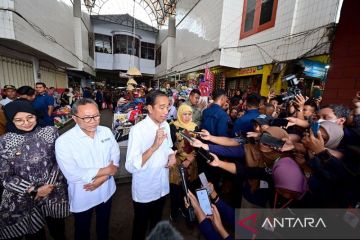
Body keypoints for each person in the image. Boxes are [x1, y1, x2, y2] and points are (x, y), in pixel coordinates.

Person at [0, 100, 70, 240]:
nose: (26, 123)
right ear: (11, 120)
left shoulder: (50, 132)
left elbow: (61, 161)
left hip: (53, 191)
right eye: (18, 120)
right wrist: (34, 190)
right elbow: (5, 176)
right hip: (24, 197)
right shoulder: (5, 142)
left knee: (58, 231)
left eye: (30, 117)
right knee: (35, 234)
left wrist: (48, 186)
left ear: (35, 116)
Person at [55, 98, 120, 240]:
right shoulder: (64, 141)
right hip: (84, 192)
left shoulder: (106, 131)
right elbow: (72, 174)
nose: (93, 121)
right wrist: (108, 171)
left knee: (103, 225)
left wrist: (104, 177)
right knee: (82, 229)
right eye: (86, 118)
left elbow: (115, 155)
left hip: (107, 189)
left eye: (96, 116)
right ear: (74, 118)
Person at [126, 90, 177, 240]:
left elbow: (168, 147)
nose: (166, 111)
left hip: (161, 186)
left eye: (167, 107)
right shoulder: (138, 131)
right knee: (140, 226)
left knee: (157, 223)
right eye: (161, 107)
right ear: (149, 108)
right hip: (145, 188)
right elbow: (130, 166)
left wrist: (172, 155)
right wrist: (154, 146)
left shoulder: (166, 125)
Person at [169, 104, 199, 221]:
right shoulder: (173, 126)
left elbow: (199, 146)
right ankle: (174, 211)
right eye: (184, 114)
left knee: (189, 189)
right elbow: (169, 146)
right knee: (176, 189)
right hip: (176, 163)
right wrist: (175, 157)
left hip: (191, 163)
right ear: (179, 114)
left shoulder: (195, 127)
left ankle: (186, 209)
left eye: (189, 114)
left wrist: (191, 158)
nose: (187, 117)